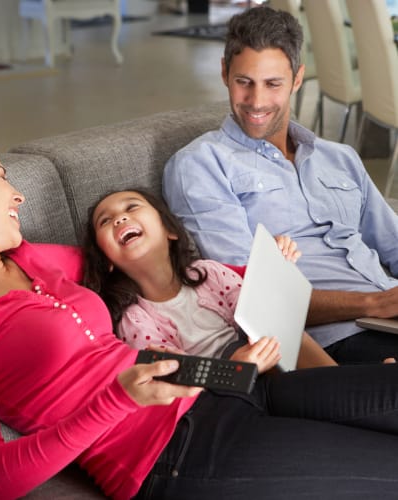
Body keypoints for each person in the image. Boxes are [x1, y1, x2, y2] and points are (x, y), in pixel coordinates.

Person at [0, 133, 398, 500]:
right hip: (172, 455)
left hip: (225, 385)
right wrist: (115, 400)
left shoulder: (31, 259)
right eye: (1, 177)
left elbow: (151, 260)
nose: (18, 196)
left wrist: (261, 269)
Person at [162, 6, 398, 365]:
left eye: (273, 84)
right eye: (244, 82)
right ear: (225, 73)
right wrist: (375, 303)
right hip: (334, 341)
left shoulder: (339, 157)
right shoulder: (201, 165)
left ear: (297, 78)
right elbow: (252, 296)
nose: (256, 102)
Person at [83, 188, 336, 372]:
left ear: (170, 231)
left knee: (283, 333)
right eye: (105, 221)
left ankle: (341, 380)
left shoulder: (209, 273)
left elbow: (258, 312)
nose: (120, 218)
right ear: (108, 260)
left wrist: (276, 267)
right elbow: (176, 376)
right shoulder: (135, 320)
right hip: (225, 387)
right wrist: (236, 368)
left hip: (261, 350)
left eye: (132, 207)